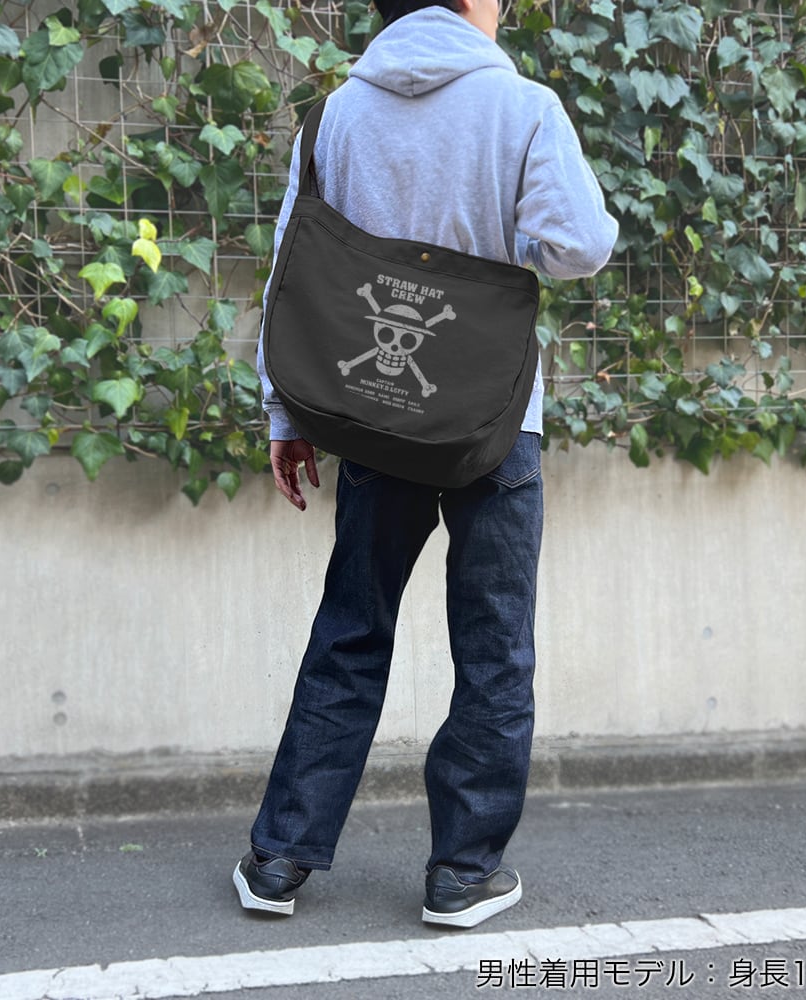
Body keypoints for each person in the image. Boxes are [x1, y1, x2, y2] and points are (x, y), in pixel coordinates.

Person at [233, 0, 618, 928]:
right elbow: (579, 245)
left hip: (378, 422)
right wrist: (501, 238)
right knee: (494, 647)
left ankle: (280, 859)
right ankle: (461, 873)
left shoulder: (335, 115)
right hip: (493, 421)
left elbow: (293, 269)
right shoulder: (524, 109)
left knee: (351, 630)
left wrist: (285, 411)